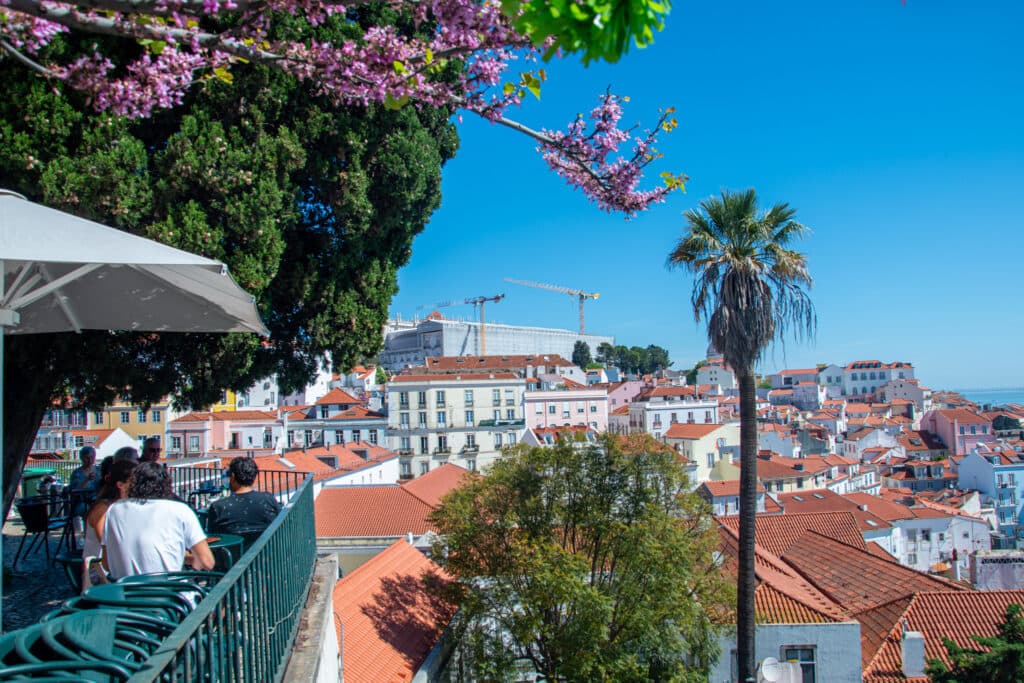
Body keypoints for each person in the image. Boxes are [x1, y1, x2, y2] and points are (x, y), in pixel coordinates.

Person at [102, 462, 214, 579]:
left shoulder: (114, 510)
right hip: (169, 593)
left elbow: (106, 564)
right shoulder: (180, 510)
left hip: (125, 593)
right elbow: (207, 562)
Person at [81, 458, 133, 590]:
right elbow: (108, 552)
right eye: (134, 483)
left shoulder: (120, 506)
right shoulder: (103, 510)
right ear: (121, 485)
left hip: (115, 571)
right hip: (99, 576)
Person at [206, 457, 281, 542]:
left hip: (233, 553)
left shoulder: (218, 507)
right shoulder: (268, 499)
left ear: (233, 476)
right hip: (266, 553)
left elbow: (213, 538)